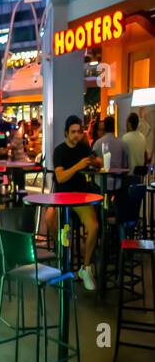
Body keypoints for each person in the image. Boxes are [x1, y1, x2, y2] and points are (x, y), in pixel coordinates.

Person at [53, 114, 101, 291]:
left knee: (94, 226)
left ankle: (85, 267)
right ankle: (62, 258)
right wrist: (78, 166)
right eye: (73, 132)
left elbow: (98, 163)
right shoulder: (59, 151)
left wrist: (95, 161)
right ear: (66, 133)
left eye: (79, 132)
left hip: (81, 196)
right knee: (49, 219)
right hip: (62, 196)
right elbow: (60, 177)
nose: (76, 135)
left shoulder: (83, 148)